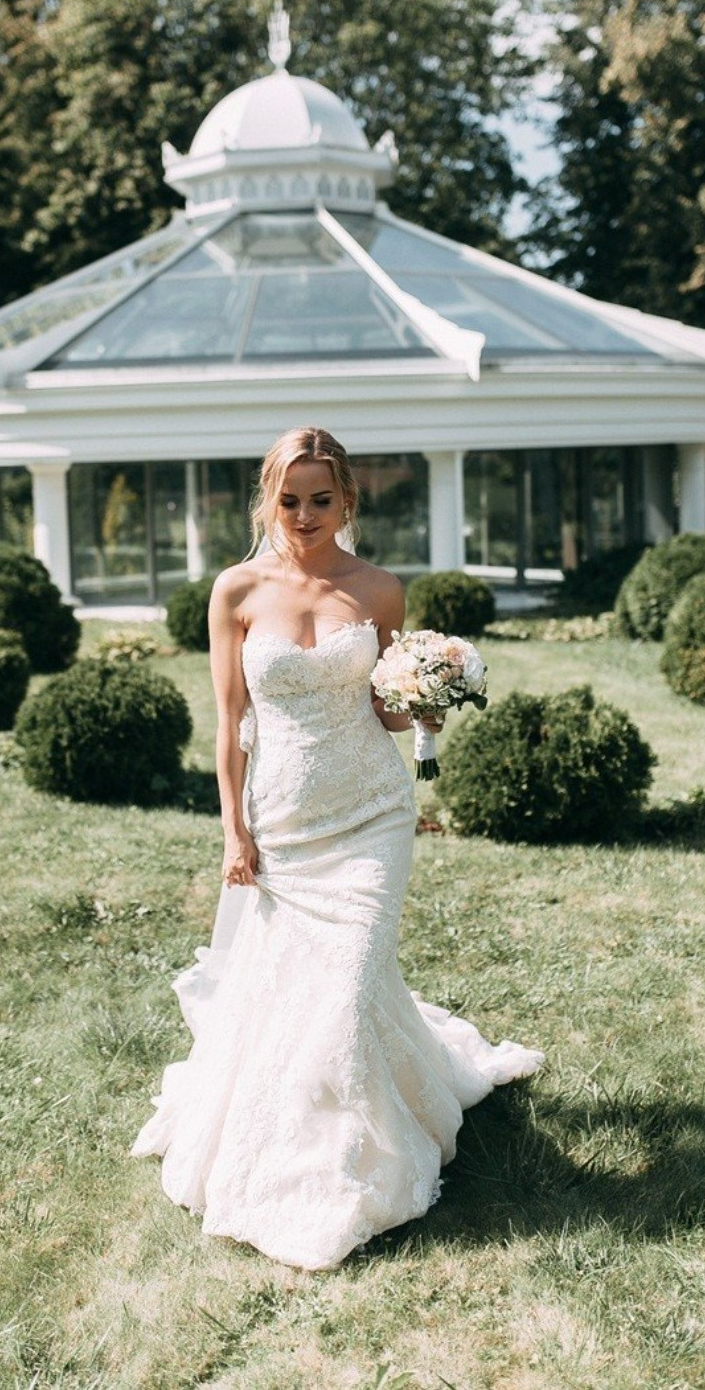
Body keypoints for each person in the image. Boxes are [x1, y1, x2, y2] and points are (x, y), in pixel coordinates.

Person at [130, 427, 542, 1269]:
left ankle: (361, 1166)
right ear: (268, 500)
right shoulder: (237, 591)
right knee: (297, 992)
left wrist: (421, 706)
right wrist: (233, 832)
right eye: (290, 500)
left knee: (348, 985)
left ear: (347, 502)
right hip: (283, 822)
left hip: (371, 815)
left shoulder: (381, 591)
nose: (306, 515)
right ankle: (292, 1151)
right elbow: (230, 725)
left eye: (322, 499)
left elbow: (382, 707)